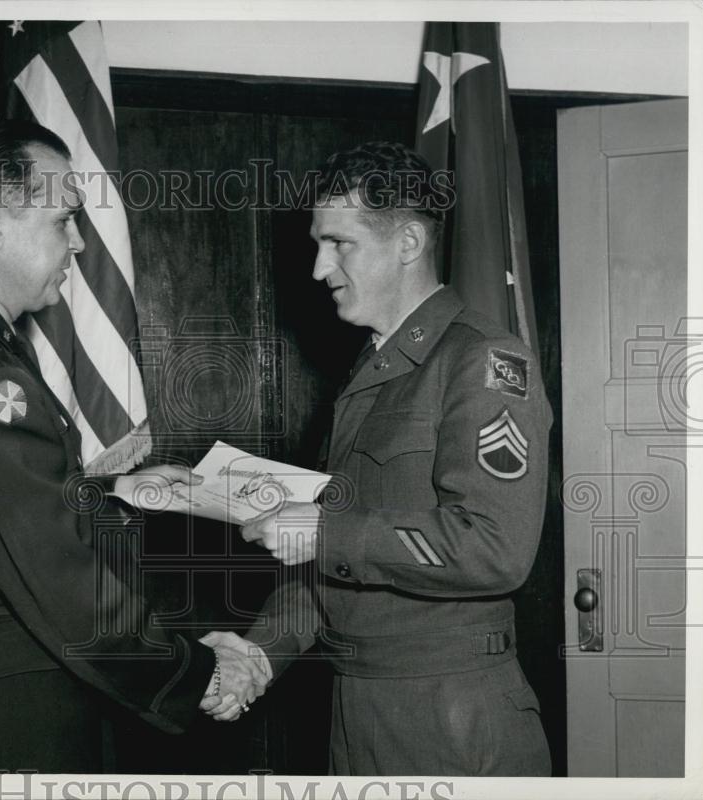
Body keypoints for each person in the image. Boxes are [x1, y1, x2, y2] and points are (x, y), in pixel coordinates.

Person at [0, 120, 266, 773]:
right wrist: (196, 670)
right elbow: (61, 582)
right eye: (63, 220)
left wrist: (116, 489)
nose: (77, 243)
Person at [210, 141, 553, 776]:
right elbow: (335, 559)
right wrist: (260, 654)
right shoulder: (374, 369)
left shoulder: (482, 362)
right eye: (318, 243)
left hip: (451, 717)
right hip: (356, 710)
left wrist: (325, 529)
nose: (318, 269)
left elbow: (496, 549)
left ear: (408, 243)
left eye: (339, 243)